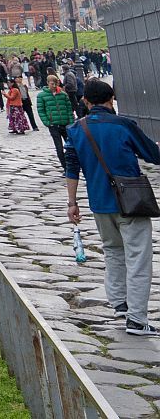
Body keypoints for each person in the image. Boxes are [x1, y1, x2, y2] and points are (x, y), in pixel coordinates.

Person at [64, 79, 160, 335]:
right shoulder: (123, 125)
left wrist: (72, 203)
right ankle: (137, 319)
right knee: (138, 258)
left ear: (86, 101)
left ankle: (119, 302)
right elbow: (154, 155)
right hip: (131, 201)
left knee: (113, 251)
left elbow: (71, 168)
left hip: (99, 202)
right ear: (111, 99)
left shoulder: (75, 129)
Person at [39, 75, 76, 169]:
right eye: (52, 83)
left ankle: (72, 164)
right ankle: (65, 167)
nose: (54, 86)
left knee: (71, 146)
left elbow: (69, 109)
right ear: (47, 83)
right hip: (53, 125)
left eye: (56, 83)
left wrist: (71, 122)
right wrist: (47, 122)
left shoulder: (63, 95)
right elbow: (41, 110)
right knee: (59, 148)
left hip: (65, 124)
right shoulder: (42, 96)